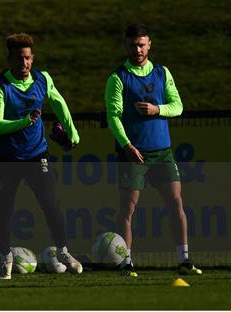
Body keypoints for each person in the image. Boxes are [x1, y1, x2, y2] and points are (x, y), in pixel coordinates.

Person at [104, 24, 202, 277]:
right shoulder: (118, 78)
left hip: (162, 152)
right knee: (128, 207)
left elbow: (177, 105)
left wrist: (157, 110)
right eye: (133, 45)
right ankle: (126, 262)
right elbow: (113, 116)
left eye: (142, 44)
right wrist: (126, 145)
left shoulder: (162, 73)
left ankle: (184, 259)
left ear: (149, 45)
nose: (138, 49)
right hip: (133, 153)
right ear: (126, 45)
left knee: (175, 203)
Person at [0, 33, 82, 280]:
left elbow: (59, 103)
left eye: (28, 58)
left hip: (36, 155)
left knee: (51, 205)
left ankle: (62, 251)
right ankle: (5, 259)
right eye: (19, 58)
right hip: (6, 158)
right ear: (10, 59)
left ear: (33, 58)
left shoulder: (43, 79)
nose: (24, 63)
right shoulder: (0, 86)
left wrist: (72, 133)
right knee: (3, 212)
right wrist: (24, 121)